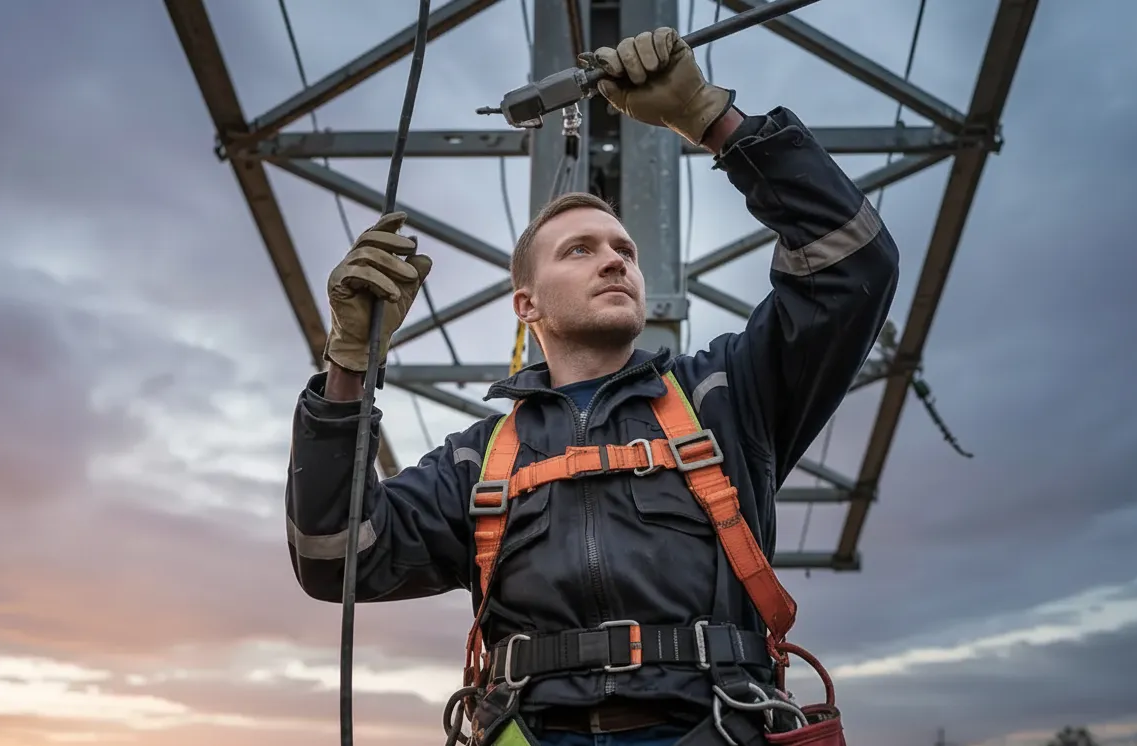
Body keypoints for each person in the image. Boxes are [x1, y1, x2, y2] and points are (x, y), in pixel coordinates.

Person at [285, 27, 898, 746]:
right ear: (527, 305)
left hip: (714, 729)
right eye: (580, 250)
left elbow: (850, 264)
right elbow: (335, 557)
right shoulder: (474, 462)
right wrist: (349, 364)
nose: (614, 261)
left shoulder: (726, 400)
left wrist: (712, 119)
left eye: (624, 251)